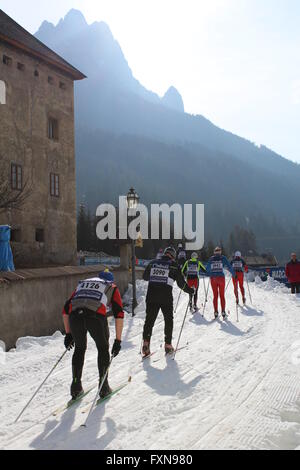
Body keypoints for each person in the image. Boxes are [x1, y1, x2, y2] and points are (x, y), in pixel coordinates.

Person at [62, 269, 124, 400]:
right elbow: (119, 314)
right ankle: (103, 387)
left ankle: (75, 387)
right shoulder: (111, 286)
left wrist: (68, 334)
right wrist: (118, 340)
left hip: (75, 316)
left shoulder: (83, 284)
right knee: (102, 348)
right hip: (95, 317)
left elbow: (65, 308)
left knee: (79, 348)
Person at [142, 246, 194, 356]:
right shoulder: (174, 265)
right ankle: (168, 345)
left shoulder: (152, 263)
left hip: (151, 295)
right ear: (173, 256)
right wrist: (190, 290)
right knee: (168, 320)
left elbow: (145, 276)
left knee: (149, 320)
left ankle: (146, 343)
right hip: (165, 297)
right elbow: (181, 283)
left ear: (165, 253)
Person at [206, 246, 235, 319]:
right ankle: (223, 311)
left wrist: (209, 273)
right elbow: (229, 266)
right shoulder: (223, 258)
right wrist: (234, 274)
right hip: (221, 278)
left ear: (214, 252)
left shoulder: (211, 259)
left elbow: (207, 269)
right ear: (220, 252)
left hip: (213, 279)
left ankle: (215, 312)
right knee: (222, 295)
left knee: (215, 296)